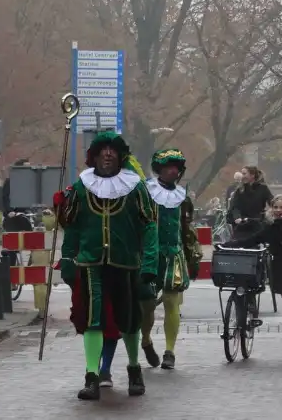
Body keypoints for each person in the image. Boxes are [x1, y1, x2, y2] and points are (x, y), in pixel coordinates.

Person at [56, 131, 157, 400]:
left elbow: (149, 225)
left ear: (121, 157)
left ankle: (134, 369)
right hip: (91, 262)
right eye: (103, 150)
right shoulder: (81, 187)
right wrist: (67, 259)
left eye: (113, 150)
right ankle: (92, 376)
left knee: (129, 320)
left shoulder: (135, 187)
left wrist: (150, 262)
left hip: (126, 263)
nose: (108, 154)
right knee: (94, 318)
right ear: (95, 156)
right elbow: (72, 227)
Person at [222, 196, 282, 360]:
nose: (279, 210)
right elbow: (251, 240)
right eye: (276, 207)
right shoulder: (270, 227)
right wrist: (227, 245)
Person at [139, 149, 202, 370]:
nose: (173, 171)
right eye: (168, 166)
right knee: (147, 306)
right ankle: (146, 339)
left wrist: (192, 257)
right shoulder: (146, 192)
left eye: (176, 167)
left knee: (171, 302)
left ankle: (169, 351)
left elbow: (187, 229)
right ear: (160, 169)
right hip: (150, 255)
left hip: (174, 254)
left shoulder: (182, 197)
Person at [228, 166, 272, 238]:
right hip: (242, 224)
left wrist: (269, 214)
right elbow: (234, 206)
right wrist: (237, 217)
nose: (242, 176)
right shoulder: (240, 189)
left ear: (252, 175)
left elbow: (272, 202)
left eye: (244, 174)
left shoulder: (263, 188)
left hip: (257, 223)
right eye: (242, 173)